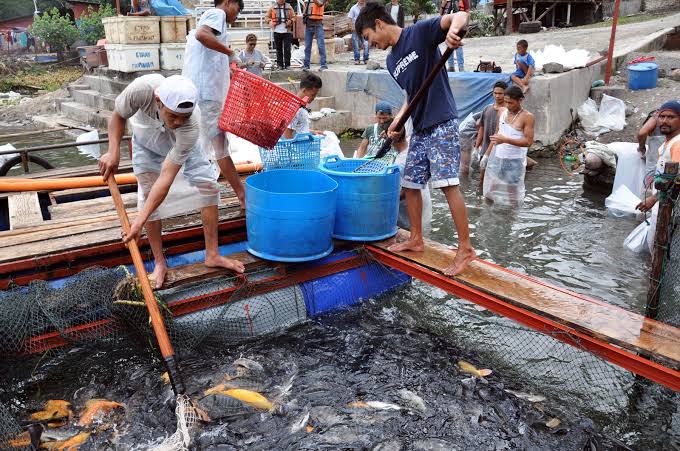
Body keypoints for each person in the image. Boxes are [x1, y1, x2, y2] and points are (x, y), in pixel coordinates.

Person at [355, 3, 475, 276]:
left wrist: (454, 32)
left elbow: (460, 16)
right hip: (420, 127)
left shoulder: (419, 33)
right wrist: (397, 122)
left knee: (447, 184)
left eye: (367, 37)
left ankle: (465, 248)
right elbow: (411, 94)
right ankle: (416, 238)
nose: (370, 44)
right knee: (410, 183)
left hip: (442, 120)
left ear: (378, 24)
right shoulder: (390, 60)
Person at [99, 75, 246, 288]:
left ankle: (212, 254)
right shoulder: (140, 90)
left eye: (183, 118)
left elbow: (166, 177)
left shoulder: (189, 127)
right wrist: (113, 152)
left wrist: (138, 221)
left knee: (209, 186)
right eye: (173, 116)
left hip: (181, 144)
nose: (177, 122)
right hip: (146, 142)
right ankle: (160, 263)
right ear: (158, 101)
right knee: (147, 193)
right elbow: (118, 116)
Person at [182, 0, 245, 208]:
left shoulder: (218, 24)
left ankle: (232, 194)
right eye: (238, 7)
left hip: (204, 93)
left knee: (204, 146)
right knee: (220, 147)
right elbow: (202, 35)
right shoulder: (216, 14)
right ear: (228, 2)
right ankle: (242, 196)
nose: (238, 13)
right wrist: (230, 52)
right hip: (206, 95)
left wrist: (230, 67)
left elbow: (210, 56)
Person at [481, 86, 535, 207]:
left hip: (514, 160)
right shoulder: (501, 112)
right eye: (506, 102)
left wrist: (506, 140)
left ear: (520, 100)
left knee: (512, 191)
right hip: (498, 157)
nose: (507, 105)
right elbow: (497, 134)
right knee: (490, 188)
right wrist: (486, 155)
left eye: (510, 102)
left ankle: (511, 217)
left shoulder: (527, 117)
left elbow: (528, 142)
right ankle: (486, 213)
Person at [636, 101, 680, 214]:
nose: (664, 121)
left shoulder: (677, 144)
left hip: (671, 205)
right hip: (663, 200)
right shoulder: (667, 144)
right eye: (661, 117)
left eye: (671, 117)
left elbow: (678, 177)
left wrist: (654, 198)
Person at [476, 81, 507, 169]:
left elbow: (498, 133)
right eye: (495, 93)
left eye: (500, 93)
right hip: (485, 148)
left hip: (500, 151)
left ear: (506, 94)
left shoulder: (507, 111)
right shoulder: (487, 108)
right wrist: (476, 147)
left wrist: (487, 154)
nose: (497, 96)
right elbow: (482, 128)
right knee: (482, 178)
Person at [284, 73, 323, 139]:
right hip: (299, 147)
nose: (314, 98)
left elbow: (298, 129)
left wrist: (313, 132)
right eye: (313, 95)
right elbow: (287, 132)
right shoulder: (296, 108)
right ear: (304, 90)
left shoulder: (300, 106)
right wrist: (291, 149)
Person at [267, 0, 295, 70]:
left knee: (287, 49)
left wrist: (291, 21)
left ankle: (287, 65)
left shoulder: (289, 7)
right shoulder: (272, 7)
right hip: (276, 31)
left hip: (287, 31)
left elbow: (294, 17)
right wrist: (270, 21)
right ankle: (280, 65)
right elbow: (266, 17)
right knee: (278, 49)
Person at [440, 0, 467, 72]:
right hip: (447, 26)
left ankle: (461, 67)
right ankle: (451, 66)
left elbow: (467, 12)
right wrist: (443, 5)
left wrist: (466, 26)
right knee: (449, 45)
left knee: (458, 45)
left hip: (459, 25)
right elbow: (441, 16)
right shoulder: (445, 1)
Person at [303, 0, 328, 71]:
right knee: (307, 46)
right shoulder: (307, 1)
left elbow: (320, 4)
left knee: (321, 45)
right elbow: (305, 11)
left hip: (318, 24)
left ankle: (323, 65)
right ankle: (306, 65)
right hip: (309, 24)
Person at [349, 0, 369, 65]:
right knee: (356, 45)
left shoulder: (367, 8)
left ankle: (366, 59)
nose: (362, 0)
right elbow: (350, 18)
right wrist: (351, 27)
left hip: (365, 29)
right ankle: (357, 59)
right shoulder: (353, 8)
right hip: (355, 29)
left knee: (366, 44)